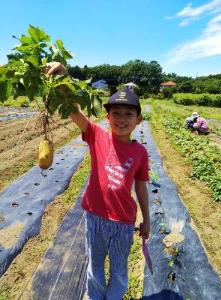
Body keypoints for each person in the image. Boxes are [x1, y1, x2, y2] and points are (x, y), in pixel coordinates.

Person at [46, 62, 151, 300]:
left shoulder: (140, 153)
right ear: (107, 117)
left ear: (139, 120)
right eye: (115, 113)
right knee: (94, 268)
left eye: (128, 114)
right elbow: (74, 111)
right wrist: (64, 77)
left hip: (124, 222)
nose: (121, 119)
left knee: (119, 270)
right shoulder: (97, 136)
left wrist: (146, 219)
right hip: (95, 217)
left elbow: (141, 186)